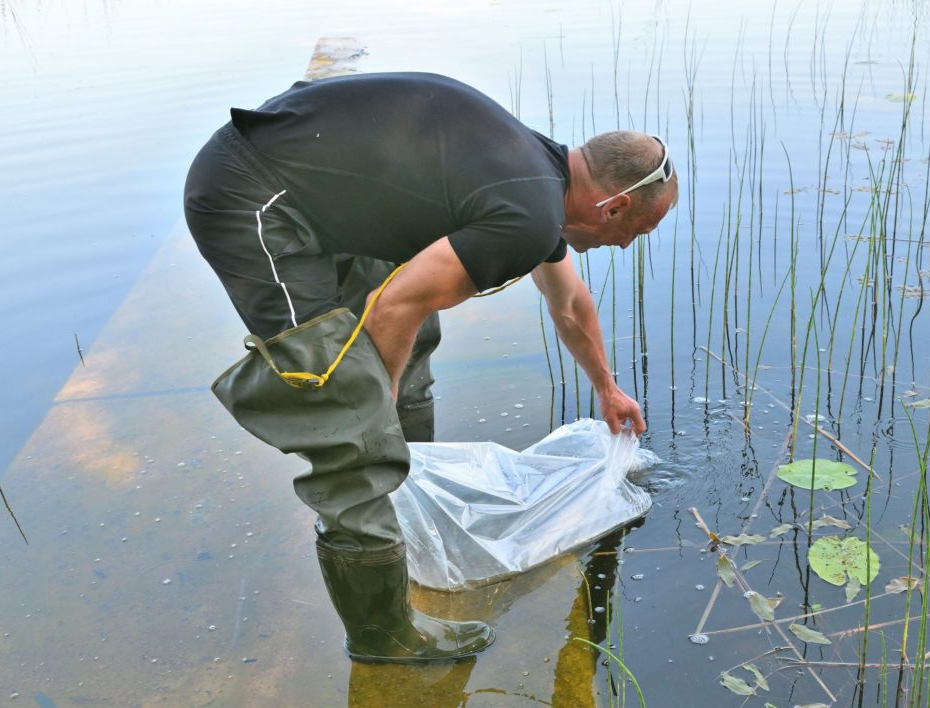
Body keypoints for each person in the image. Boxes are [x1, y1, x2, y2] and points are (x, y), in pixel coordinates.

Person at [183, 72, 676, 664]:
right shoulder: (528, 211)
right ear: (614, 205)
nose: (626, 245)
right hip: (254, 198)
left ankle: (405, 505)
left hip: (316, 191)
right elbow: (393, 306)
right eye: (635, 230)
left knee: (412, 335)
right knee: (346, 415)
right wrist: (375, 410)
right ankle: (382, 634)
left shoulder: (539, 177)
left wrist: (607, 387)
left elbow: (568, 302)